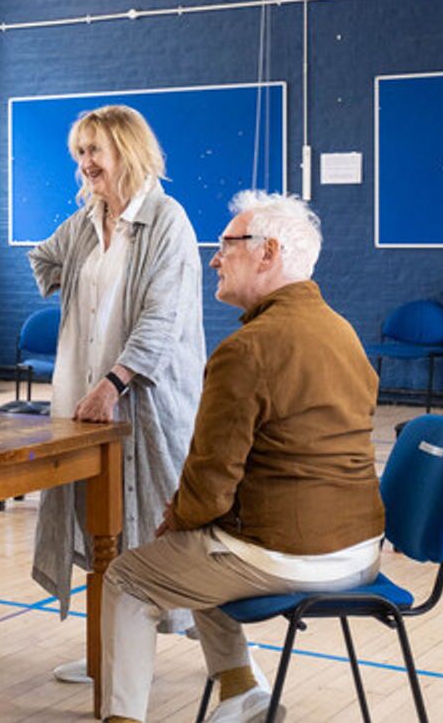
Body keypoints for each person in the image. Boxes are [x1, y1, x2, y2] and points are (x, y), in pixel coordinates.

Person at [99, 191, 385, 723]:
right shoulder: (344, 333)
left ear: (267, 253)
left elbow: (210, 483)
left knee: (129, 576)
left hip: (293, 555)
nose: (213, 258)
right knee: (198, 542)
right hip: (360, 551)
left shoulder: (246, 349)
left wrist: (177, 519)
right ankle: (240, 692)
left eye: (226, 245)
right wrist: (189, 523)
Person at [26, 105, 204, 683]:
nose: (84, 164)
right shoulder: (85, 222)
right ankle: (112, 654)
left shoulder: (167, 221)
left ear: (126, 151)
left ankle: (232, 664)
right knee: (104, 529)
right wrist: (63, 282)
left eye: (93, 151)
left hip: (144, 403)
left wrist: (114, 383)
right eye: (79, 153)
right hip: (87, 403)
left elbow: (162, 319)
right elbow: (44, 258)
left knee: (164, 530)